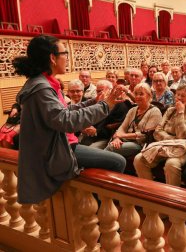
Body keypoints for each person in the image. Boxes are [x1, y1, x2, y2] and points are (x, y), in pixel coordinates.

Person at [14, 35, 126, 204]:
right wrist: (105, 106)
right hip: (61, 147)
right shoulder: (41, 88)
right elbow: (65, 121)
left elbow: (63, 111)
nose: (67, 58)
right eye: (64, 53)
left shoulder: (44, 83)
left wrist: (93, 102)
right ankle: (98, 208)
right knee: (118, 161)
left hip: (64, 144)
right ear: (52, 58)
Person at [134, 84, 186, 186]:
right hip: (163, 145)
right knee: (139, 159)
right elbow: (157, 131)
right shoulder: (170, 110)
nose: (178, 98)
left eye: (183, 95)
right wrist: (170, 139)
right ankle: (150, 191)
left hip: (181, 149)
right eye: (177, 95)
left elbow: (182, 135)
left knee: (171, 164)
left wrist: (180, 113)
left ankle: (172, 197)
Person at [106, 83, 162, 162]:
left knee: (111, 147)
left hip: (141, 144)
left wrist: (122, 135)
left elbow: (144, 135)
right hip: (126, 140)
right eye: (136, 94)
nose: (138, 96)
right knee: (113, 145)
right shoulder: (133, 110)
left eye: (141, 94)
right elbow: (122, 127)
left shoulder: (155, 111)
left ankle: (97, 168)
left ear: (149, 96)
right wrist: (117, 138)